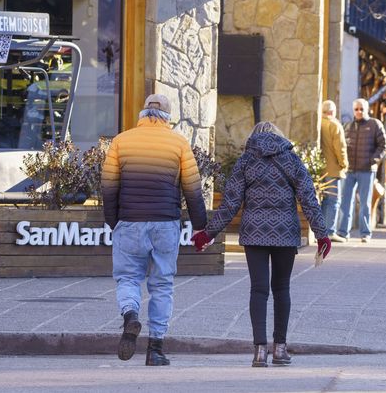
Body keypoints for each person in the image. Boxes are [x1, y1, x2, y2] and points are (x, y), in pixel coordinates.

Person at [191, 122, 331, 368]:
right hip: (285, 233)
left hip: (254, 232)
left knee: (258, 290)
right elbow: (308, 198)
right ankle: (280, 349)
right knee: (281, 289)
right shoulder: (291, 160)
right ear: (279, 136)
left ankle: (259, 352)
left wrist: (208, 234)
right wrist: (322, 234)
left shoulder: (245, 161)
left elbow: (230, 204)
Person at [101, 93, 207, 366]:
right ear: (168, 117)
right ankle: (156, 350)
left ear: (142, 114)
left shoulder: (121, 141)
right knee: (162, 285)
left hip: (130, 221)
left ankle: (130, 315)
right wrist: (200, 228)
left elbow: (109, 187)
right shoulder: (179, 142)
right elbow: (193, 189)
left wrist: (114, 222)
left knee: (127, 278)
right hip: (165, 223)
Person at [337, 98, 386, 243]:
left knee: (365, 203)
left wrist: (373, 160)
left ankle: (365, 233)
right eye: (356, 109)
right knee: (346, 202)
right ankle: (343, 232)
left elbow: (383, 146)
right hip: (349, 170)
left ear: (367, 110)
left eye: (361, 109)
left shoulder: (374, 124)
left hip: (367, 170)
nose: (359, 112)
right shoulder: (348, 126)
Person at [320, 100, 349, 243]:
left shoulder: (319, 123)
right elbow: (340, 147)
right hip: (333, 169)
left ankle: (322, 231)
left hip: (321, 169)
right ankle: (330, 231)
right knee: (333, 201)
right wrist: (344, 164)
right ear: (333, 111)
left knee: (324, 201)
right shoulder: (335, 125)